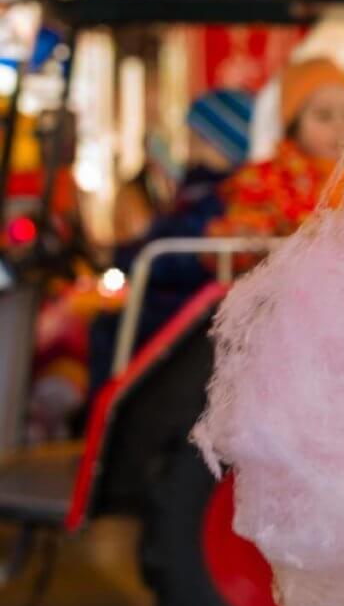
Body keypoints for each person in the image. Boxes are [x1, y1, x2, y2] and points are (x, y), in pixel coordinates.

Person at [87, 89, 254, 396]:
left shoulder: (216, 196)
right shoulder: (200, 189)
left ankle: (105, 411)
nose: (188, 144)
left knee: (109, 325)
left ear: (217, 143)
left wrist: (131, 257)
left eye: (196, 137)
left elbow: (178, 249)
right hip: (193, 293)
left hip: (190, 301)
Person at [207, 58, 344, 240]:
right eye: (324, 116)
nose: (340, 125)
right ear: (294, 126)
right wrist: (251, 234)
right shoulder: (264, 178)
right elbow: (237, 236)